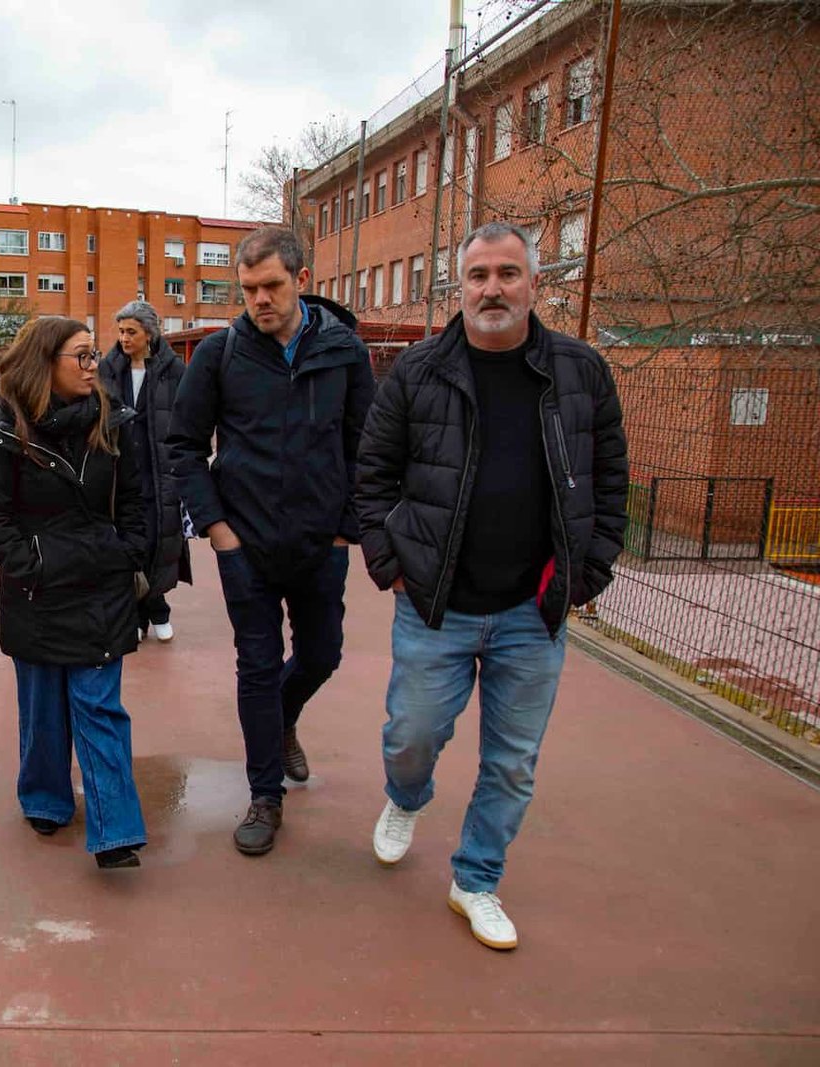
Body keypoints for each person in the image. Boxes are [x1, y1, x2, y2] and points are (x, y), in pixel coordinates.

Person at [355, 221, 628, 950]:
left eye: (508, 273)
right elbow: (372, 476)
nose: (493, 288)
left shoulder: (581, 371)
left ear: (534, 284)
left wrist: (589, 569)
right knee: (411, 735)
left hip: (531, 611)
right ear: (460, 287)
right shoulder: (417, 372)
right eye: (479, 275)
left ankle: (476, 879)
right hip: (434, 604)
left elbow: (610, 478)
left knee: (511, 762)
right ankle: (406, 798)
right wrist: (392, 564)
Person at [168, 225, 375, 857]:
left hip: (321, 546)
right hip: (246, 547)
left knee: (323, 654)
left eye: (272, 286)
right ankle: (265, 794)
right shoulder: (220, 353)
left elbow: (366, 447)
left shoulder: (344, 352)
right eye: (249, 288)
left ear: (302, 281)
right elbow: (183, 447)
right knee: (256, 666)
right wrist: (219, 531)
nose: (260, 299)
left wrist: (347, 531)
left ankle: (283, 720)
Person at [0, 316, 149, 870]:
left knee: (99, 708)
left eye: (95, 355)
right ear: (46, 363)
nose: (96, 365)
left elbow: (141, 504)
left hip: (102, 590)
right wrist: (31, 566)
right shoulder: (6, 433)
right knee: (43, 707)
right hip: (37, 596)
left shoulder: (115, 425)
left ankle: (116, 830)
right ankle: (45, 799)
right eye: (83, 356)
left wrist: (125, 556)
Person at [97, 300, 190, 643]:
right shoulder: (107, 368)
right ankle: (138, 612)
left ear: (148, 333)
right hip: (119, 472)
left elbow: (186, 420)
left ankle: (156, 606)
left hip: (159, 473)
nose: (124, 338)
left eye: (131, 331)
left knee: (158, 541)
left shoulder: (174, 371)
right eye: (120, 331)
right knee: (126, 540)